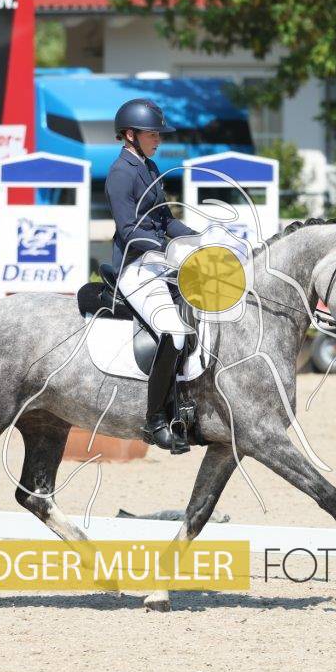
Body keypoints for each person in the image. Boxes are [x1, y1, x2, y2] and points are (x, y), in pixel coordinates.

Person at [106, 97, 197, 454]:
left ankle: (186, 404)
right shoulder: (121, 173)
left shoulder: (150, 167)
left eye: (158, 134)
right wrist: (167, 247)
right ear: (131, 135)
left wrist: (200, 238)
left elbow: (166, 219)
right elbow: (128, 230)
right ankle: (155, 419)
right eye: (152, 134)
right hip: (135, 266)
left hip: (158, 261)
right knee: (174, 333)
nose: (158, 139)